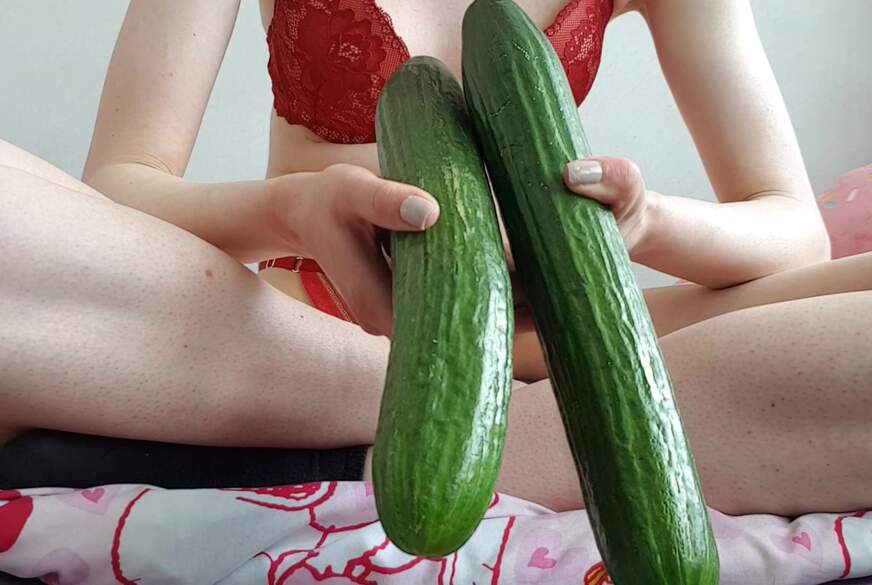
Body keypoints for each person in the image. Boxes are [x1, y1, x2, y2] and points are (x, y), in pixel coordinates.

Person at [1, 0, 870, 515]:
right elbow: (119, 188)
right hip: (309, 321)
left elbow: (793, 228)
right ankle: (530, 427)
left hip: (551, 330)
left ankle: (459, 429)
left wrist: (642, 225)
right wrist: (294, 208)